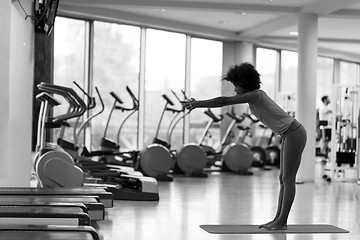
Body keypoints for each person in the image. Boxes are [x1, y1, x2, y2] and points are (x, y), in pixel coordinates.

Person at [182, 62, 307, 231]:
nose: (235, 90)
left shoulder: (256, 95)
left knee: (288, 179)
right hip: (288, 134)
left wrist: (198, 104)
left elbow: (224, 101)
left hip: (294, 133)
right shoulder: (254, 98)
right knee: (283, 179)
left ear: (245, 82)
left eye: (236, 85)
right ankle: (278, 219)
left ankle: (282, 222)